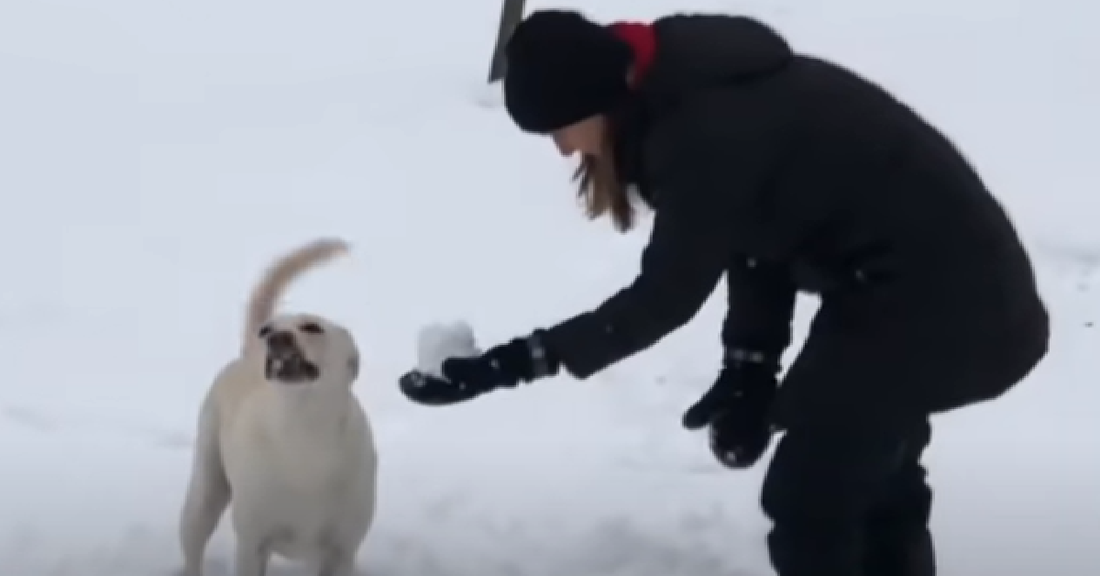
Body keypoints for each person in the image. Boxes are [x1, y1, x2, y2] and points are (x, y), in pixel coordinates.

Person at [398, 9, 1050, 576]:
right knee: (868, 472)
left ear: (596, 101)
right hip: (911, 292)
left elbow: (666, 296)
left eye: (559, 128)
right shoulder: (689, 91)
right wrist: (750, 367)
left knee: (811, 497)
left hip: (947, 305)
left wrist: (512, 363)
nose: (564, 151)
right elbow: (761, 237)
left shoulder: (704, 131)